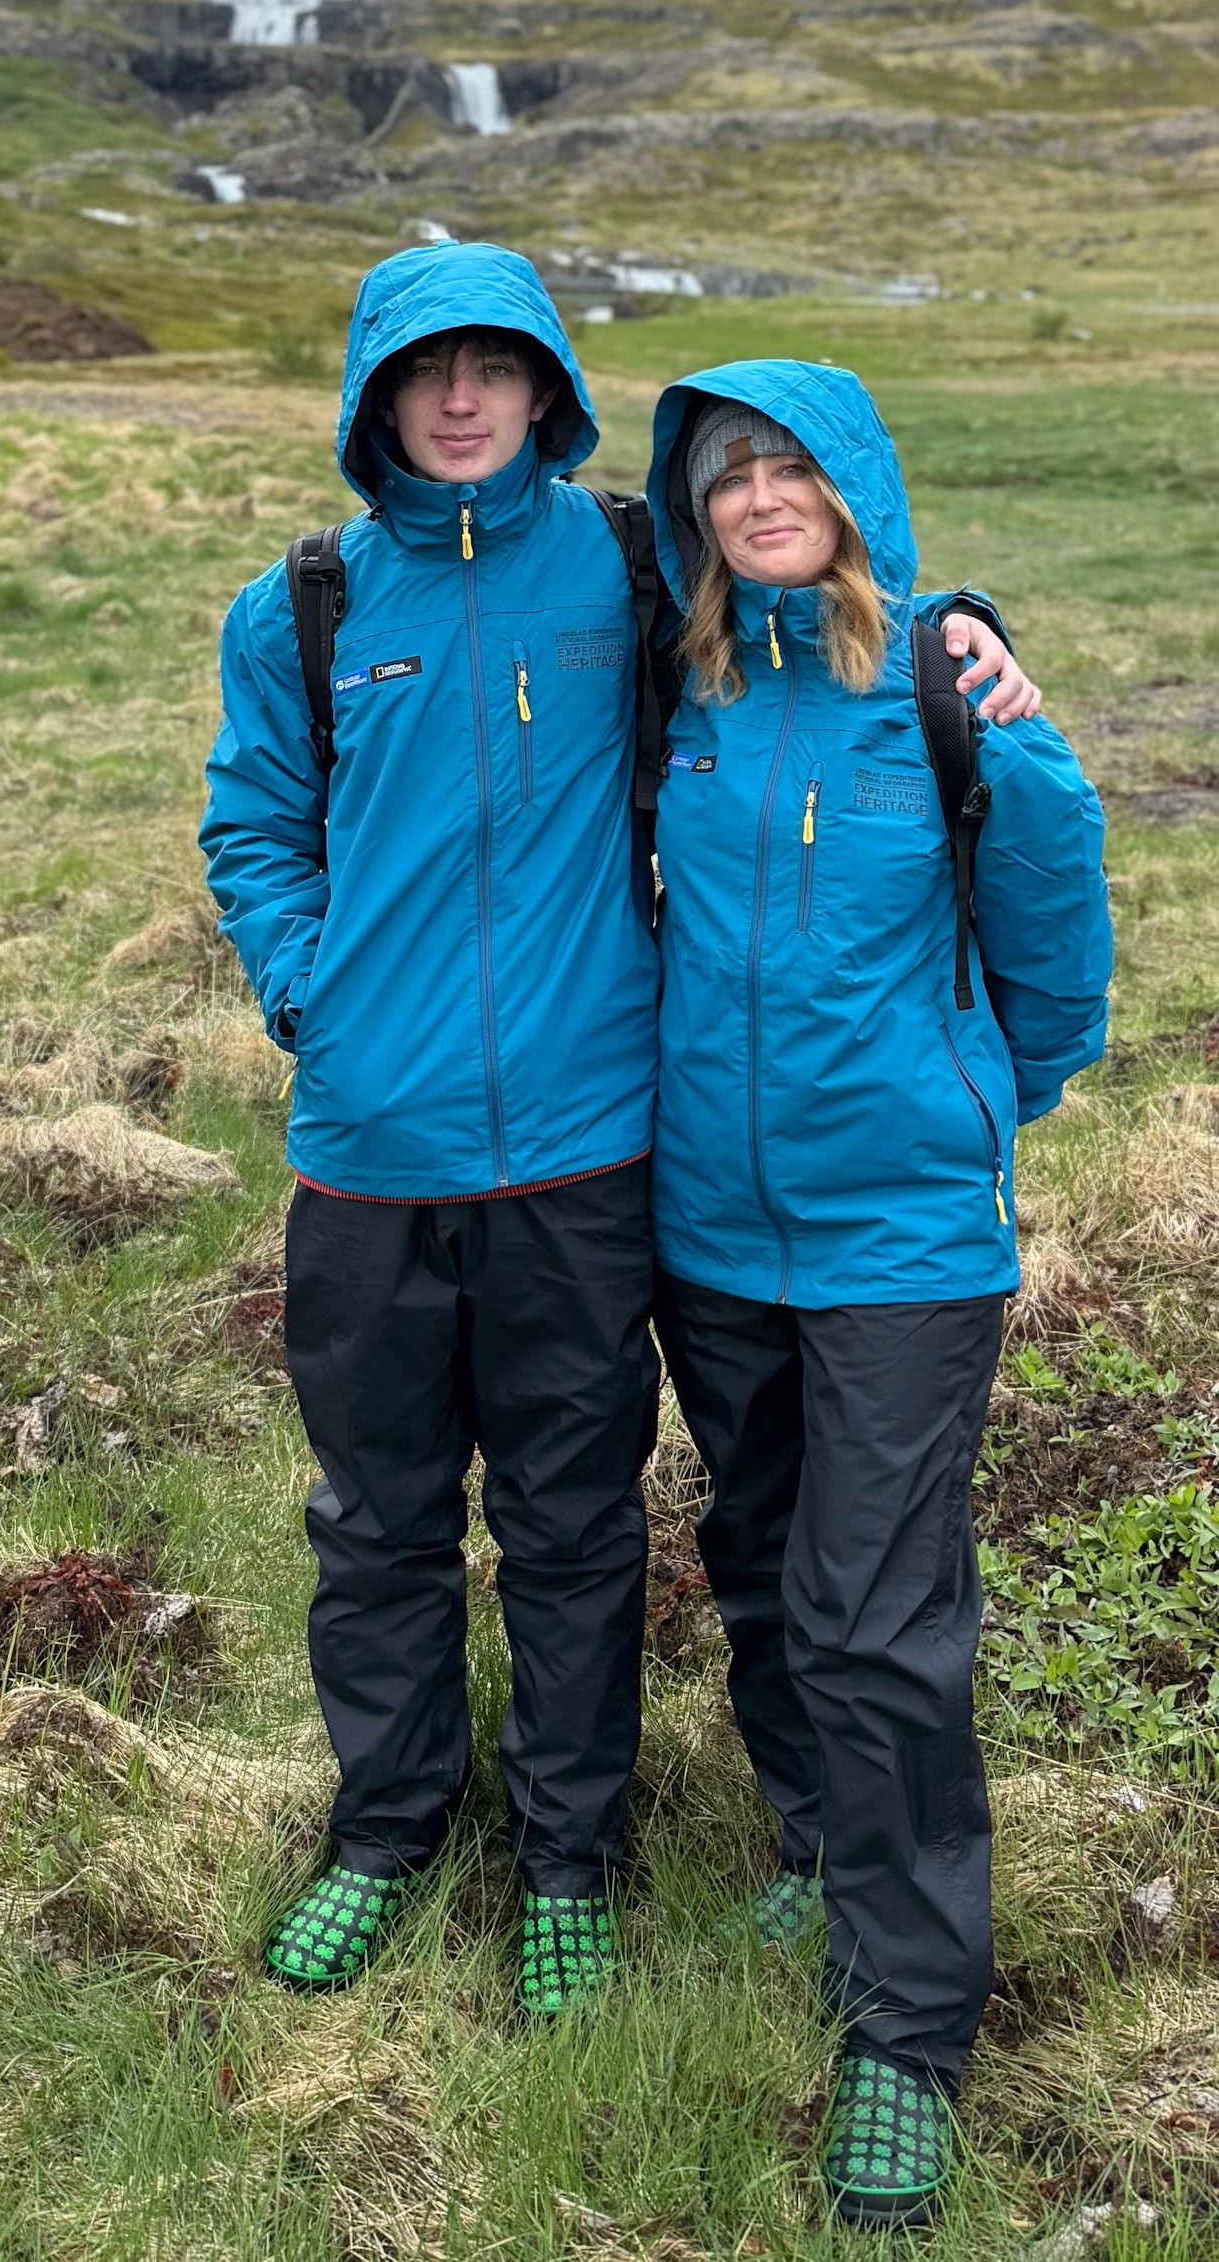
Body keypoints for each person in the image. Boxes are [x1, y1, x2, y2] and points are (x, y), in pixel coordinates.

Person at [200, 243, 1033, 2016]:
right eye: (424, 373)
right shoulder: (304, 607)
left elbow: (811, 602)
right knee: (378, 1521)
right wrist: (309, 991)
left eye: (494, 366)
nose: (459, 399)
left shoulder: (629, 561)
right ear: (374, 398)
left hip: (590, 1151)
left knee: (575, 1526)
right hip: (366, 1157)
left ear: (545, 389)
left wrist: (977, 635)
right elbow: (256, 828)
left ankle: (568, 1855)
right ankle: (387, 1828)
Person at [643, 362, 1111, 2228]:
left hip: (903, 1232)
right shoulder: (678, 685)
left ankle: (908, 2030)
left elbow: (1058, 911)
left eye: (789, 466)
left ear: (853, 485)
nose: (761, 495)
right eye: (727, 475)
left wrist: (997, 1092)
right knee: (759, 1554)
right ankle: (822, 1832)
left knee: (878, 1609)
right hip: (709, 1229)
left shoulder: (941, 675)